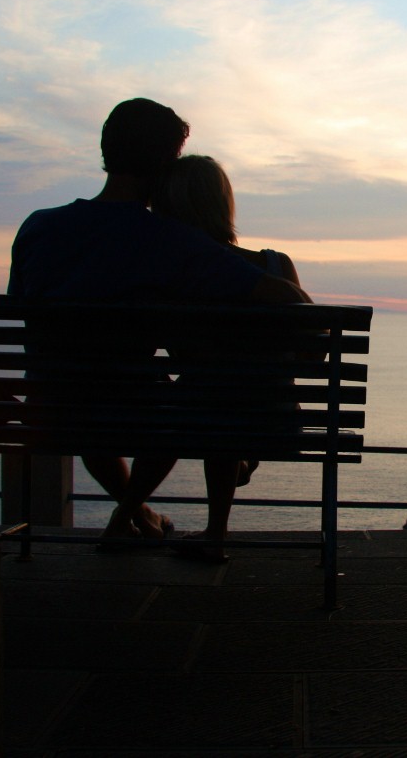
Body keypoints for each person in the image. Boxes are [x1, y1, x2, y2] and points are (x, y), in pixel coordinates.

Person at [7, 99, 308, 549]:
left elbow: (18, 311)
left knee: (92, 398)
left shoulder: (38, 226)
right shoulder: (170, 240)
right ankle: (146, 513)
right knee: (179, 399)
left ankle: (138, 516)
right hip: (128, 407)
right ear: (166, 162)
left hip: (49, 404)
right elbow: (287, 299)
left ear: (107, 151)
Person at [150, 154, 308, 561]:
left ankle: (131, 514)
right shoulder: (276, 265)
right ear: (225, 204)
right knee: (223, 397)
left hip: (202, 417)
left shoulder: (175, 277)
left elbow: (175, 353)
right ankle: (214, 528)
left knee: (202, 394)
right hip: (277, 419)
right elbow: (314, 349)